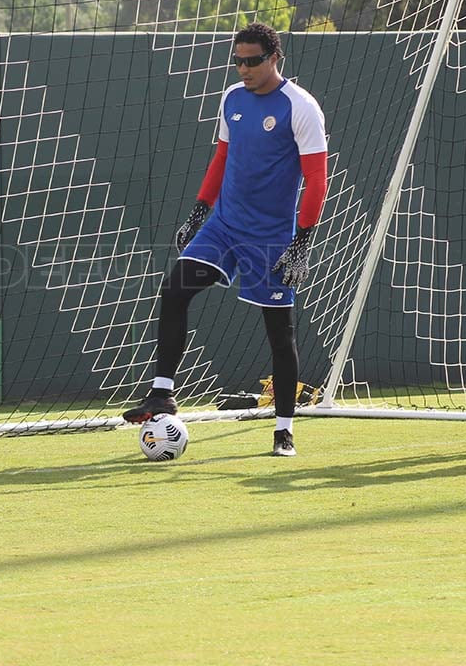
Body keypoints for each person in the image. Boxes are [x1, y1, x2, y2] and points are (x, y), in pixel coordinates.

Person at [121, 22, 329, 457]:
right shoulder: (232, 99)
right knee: (175, 289)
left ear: (275, 58)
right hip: (224, 226)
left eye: (252, 61)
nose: (243, 69)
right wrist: (199, 211)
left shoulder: (301, 107)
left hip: (271, 236)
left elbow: (316, 180)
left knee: (280, 334)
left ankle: (284, 430)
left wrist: (301, 242)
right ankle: (162, 393)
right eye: (237, 60)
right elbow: (221, 157)